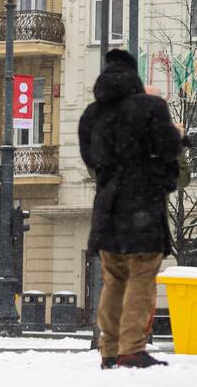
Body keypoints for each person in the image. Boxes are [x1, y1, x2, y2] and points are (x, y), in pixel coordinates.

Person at [79, 49, 182, 369]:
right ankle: (132, 347)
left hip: (107, 205)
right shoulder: (151, 107)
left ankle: (108, 348)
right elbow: (168, 150)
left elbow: (91, 161)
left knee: (114, 278)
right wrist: (179, 139)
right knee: (141, 275)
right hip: (142, 205)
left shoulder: (91, 115)